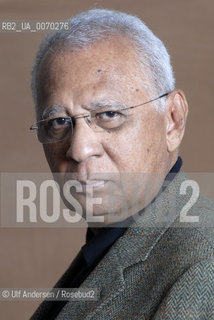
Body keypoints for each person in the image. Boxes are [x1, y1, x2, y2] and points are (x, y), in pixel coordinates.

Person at [30, 9, 214, 319]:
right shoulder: (106, 247)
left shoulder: (204, 269)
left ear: (172, 121)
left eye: (109, 115)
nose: (79, 149)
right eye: (60, 121)